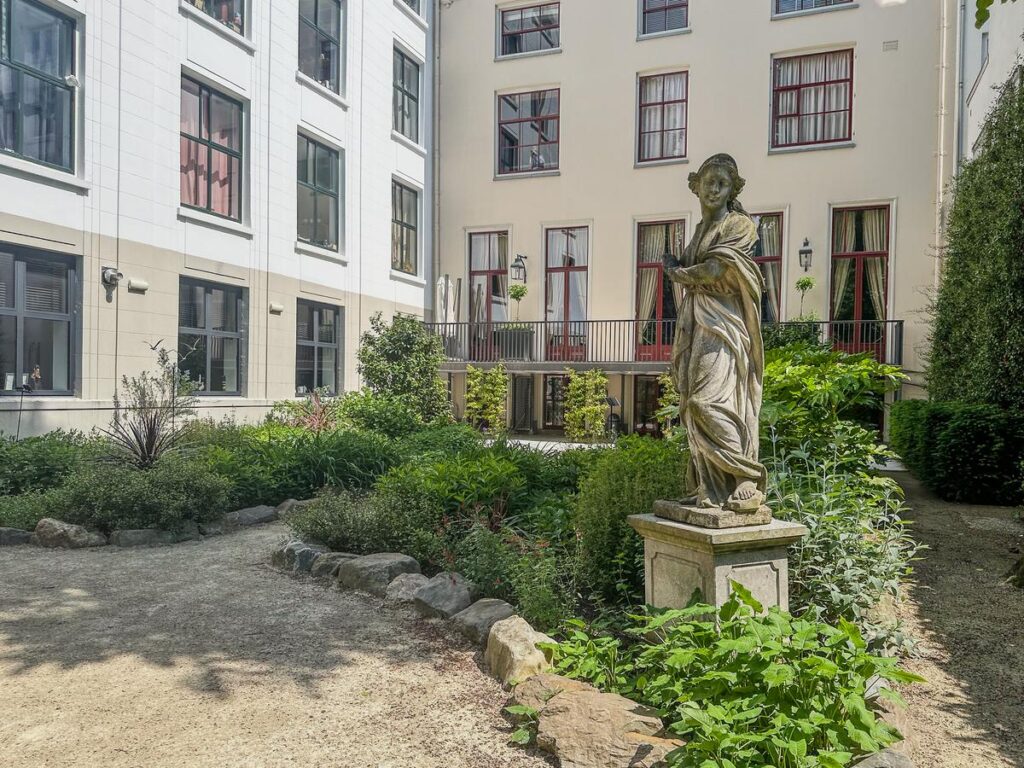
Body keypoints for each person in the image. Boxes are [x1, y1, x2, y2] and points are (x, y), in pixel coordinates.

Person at [663, 154, 767, 512]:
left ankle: (746, 477)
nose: (714, 189)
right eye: (709, 181)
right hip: (698, 321)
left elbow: (713, 269)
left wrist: (677, 272)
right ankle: (710, 486)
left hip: (724, 326)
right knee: (690, 405)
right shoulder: (699, 231)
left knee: (705, 401)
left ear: (732, 189)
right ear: (697, 186)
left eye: (722, 183)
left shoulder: (739, 225)